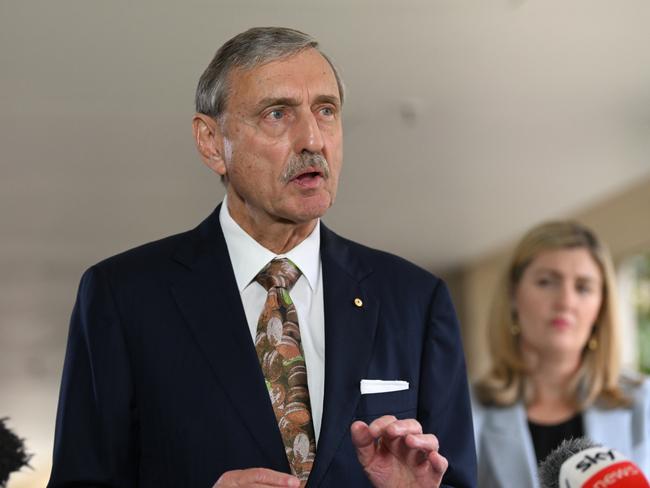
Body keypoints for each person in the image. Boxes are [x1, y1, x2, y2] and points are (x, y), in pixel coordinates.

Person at [47, 27, 477, 488]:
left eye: (326, 111)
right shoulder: (123, 297)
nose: (313, 139)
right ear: (212, 142)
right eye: (278, 114)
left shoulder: (415, 299)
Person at [471, 220, 650, 487]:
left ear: (601, 307)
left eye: (583, 287)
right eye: (546, 282)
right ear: (513, 296)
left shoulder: (642, 401)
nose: (566, 301)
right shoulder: (469, 407)